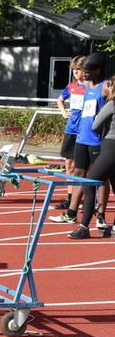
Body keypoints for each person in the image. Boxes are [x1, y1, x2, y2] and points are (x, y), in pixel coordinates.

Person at [50, 53, 108, 228]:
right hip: (82, 137)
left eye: (87, 72)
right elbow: (68, 93)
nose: (83, 75)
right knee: (78, 174)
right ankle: (71, 213)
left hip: (97, 140)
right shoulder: (86, 84)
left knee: (100, 178)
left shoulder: (106, 86)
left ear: (98, 70)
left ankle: (101, 216)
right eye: (82, 71)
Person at [69, 72, 115, 239]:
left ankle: (83, 227)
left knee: (89, 184)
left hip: (111, 147)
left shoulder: (111, 104)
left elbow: (95, 125)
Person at [53, 56, 86, 210]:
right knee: (69, 164)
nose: (75, 73)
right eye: (74, 70)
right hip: (71, 130)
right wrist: (63, 112)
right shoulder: (71, 86)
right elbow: (59, 100)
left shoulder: (92, 87)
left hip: (85, 131)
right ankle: (70, 198)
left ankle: (88, 199)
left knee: (86, 167)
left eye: (78, 69)